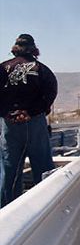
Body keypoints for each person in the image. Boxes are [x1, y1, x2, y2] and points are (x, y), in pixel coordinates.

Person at [0, 34, 58, 207]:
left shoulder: (3, 68)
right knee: (43, 168)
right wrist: (30, 112)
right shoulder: (42, 69)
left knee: (9, 171)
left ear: (15, 48)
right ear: (34, 50)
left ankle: (7, 213)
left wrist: (6, 113)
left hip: (9, 125)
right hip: (34, 123)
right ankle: (46, 207)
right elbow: (50, 93)